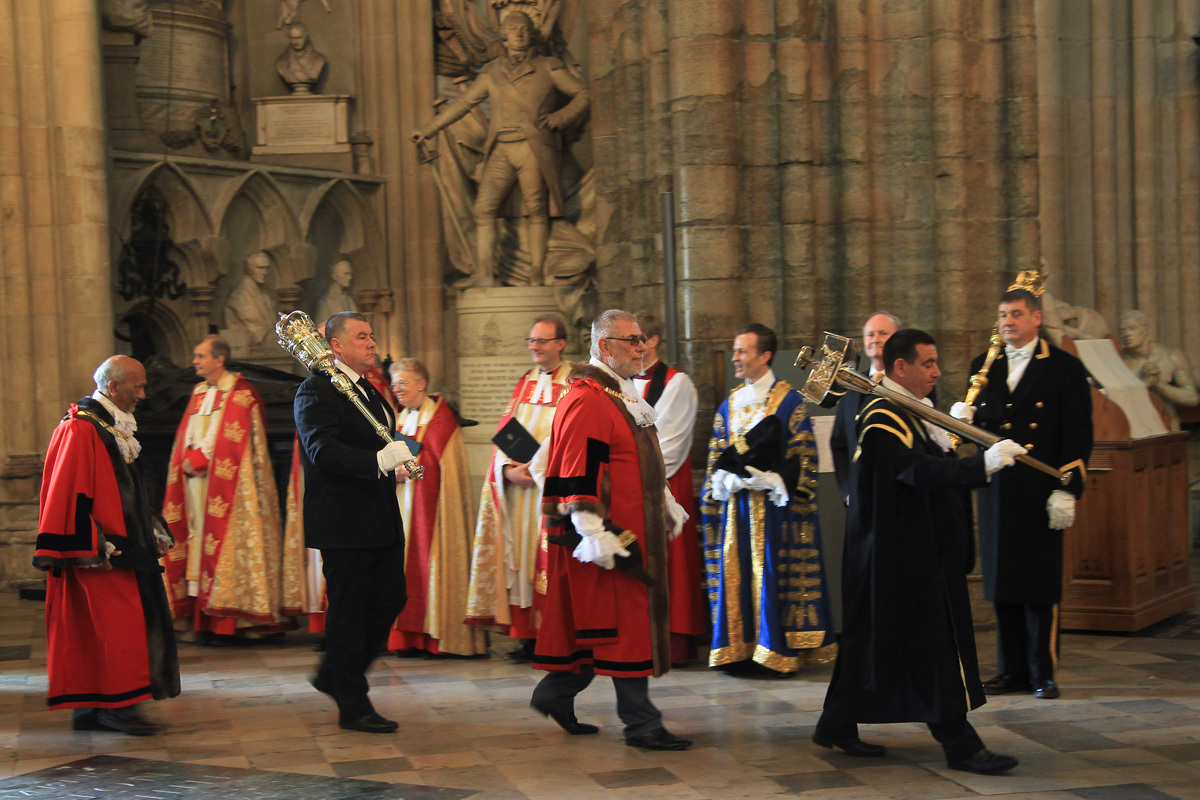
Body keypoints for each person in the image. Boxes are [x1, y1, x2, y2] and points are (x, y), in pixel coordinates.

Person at [815, 329, 1025, 775]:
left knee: (869, 640)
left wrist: (960, 450)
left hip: (911, 548)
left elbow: (929, 462)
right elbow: (913, 471)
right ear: (900, 367)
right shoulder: (882, 415)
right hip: (895, 554)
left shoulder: (907, 410)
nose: (936, 371)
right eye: (927, 363)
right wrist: (981, 463)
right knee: (930, 647)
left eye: (936, 362)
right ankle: (960, 744)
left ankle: (836, 723)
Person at [531, 309, 691, 750]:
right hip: (608, 536)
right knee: (625, 629)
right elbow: (577, 471)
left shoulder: (620, 396)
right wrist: (592, 530)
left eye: (643, 339)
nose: (643, 347)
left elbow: (638, 463)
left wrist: (665, 502)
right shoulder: (589, 400)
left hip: (631, 528)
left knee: (600, 629)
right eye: (633, 340)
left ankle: (555, 695)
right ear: (605, 346)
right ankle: (642, 724)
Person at [952, 288, 1093, 700]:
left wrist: (1068, 489)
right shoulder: (985, 365)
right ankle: (1010, 670)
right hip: (998, 488)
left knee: (1039, 585)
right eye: (1001, 315)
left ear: (1035, 318)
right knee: (1002, 584)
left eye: (1015, 314)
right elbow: (982, 431)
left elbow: (1078, 433)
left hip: (1041, 489)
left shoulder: (1064, 367)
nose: (1007, 322)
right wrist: (963, 420)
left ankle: (1042, 671)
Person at [35, 356, 180, 735]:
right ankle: (112, 706)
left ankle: (98, 708)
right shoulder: (80, 429)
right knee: (112, 631)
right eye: (138, 387)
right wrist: (90, 545)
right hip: (102, 554)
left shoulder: (108, 426)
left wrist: (150, 526)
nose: (143, 394)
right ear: (114, 388)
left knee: (120, 629)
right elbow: (68, 491)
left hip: (126, 546)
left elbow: (125, 487)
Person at [294, 311, 411, 733]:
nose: (372, 342)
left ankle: (336, 675)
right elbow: (320, 448)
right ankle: (352, 699)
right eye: (362, 336)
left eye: (372, 335)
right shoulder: (316, 390)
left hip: (378, 515)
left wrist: (393, 462)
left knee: (390, 598)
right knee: (350, 610)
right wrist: (378, 460)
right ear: (336, 345)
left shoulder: (368, 389)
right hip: (343, 518)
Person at [412, 10, 589, 286]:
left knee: (536, 209)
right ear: (504, 35)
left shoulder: (548, 66)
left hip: (533, 146)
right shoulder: (492, 72)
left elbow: (582, 93)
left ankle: (536, 274)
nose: (518, 33)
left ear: (531, 34)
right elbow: (462, 104)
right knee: (484, 209)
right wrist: (428, 130)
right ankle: (484, 275)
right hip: (501, 148)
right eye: (513, 28)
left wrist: (559, 118)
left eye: (523, 28)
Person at [700, 323, 836, 675]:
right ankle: (737, 648)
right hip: (735, 512)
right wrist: (725, 479)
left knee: (771, 576)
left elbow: (805, 460)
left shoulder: (789, 401)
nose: (736, 358)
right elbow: (715, 456)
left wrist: (773, 480)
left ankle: (772, 651)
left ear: (765, 355)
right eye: (735, 351)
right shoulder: (728, 404)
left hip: (775, 514)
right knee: (736, 576)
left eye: (743, 351)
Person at [162, 335, 295, 641]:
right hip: (195, 484)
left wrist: (197, 458)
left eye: (200, 356)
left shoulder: (241, 393)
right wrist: (187, 461)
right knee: (196, 543)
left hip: (230, 488)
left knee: (226, 546)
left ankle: (238, 621)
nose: (194, 361)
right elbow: (188, 434)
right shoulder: (197, 392)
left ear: (218, 360)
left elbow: (230, 437)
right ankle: (200, 619)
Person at [465, 315, 572, 661]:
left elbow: (573, 437)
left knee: (548, 562)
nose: (535, 347)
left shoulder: (576, 383)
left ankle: (554, 637)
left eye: (542, 341)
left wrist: (539, 471)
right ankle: (528, 636)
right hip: (521, 491)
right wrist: (507, 470)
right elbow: (505, 432)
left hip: (551, 490)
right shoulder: (523, 383)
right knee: (523, 564)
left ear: (561, 344)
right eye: (531, 341)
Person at [386, 358, 487, 656]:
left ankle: (439, 638)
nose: (397, 390)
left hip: (435, 514)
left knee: (431, 568)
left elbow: (441, 466)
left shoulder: (442, 421)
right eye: (394, 384)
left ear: (422, 383)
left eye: (403, 383)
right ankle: (407, 638)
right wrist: (393, 472)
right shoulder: (400, 418)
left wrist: (412, 470)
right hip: (402, 508)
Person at [631, 312, 706, 665]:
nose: (635, 346)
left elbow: (670, 449)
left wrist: (628, 476)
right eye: (628, 340)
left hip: (663, 489)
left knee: (669, 569)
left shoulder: (677, 384)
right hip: (629, 490)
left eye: (638, 338)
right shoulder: (620, 384)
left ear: (653, 341)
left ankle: (673, 643)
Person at [829, 312, 900, 504]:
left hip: (899, 495)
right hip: (859, 499)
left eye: (883, 333)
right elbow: (838, 442)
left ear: (898, 340)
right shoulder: (850, 385)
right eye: (870, 335)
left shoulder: (908, 383)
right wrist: (846, 492)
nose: (875, 340)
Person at [1120, 309, 1199, 426]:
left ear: (1145, 330)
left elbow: (1192, 398)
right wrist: (1145, 383)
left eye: (1132, 328)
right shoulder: (1118, 360)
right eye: (1123, 330)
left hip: (1165, 424)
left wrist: (1159, 385)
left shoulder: (1171, 356)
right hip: (1132, 426)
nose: (1127, 334)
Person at [224, 251, 278, 346]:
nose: (264, 273)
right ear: (249, 269)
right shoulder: (238, 297)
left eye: (266, 268)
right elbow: (255, 321)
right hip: (254, 339)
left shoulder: (266, 294)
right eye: (260, 268)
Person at [276, 22, 327, 93]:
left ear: (306, 37)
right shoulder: (281, 62)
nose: (296, 42)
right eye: (292, 38)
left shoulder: (320, 60)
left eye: (299, 38)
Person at [315, 259, 358, 325]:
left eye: (350, 274)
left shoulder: (348, 299)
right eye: (346, 274)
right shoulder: (326, 301)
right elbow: (322, 328)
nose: (350, 277)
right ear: (335, 276)